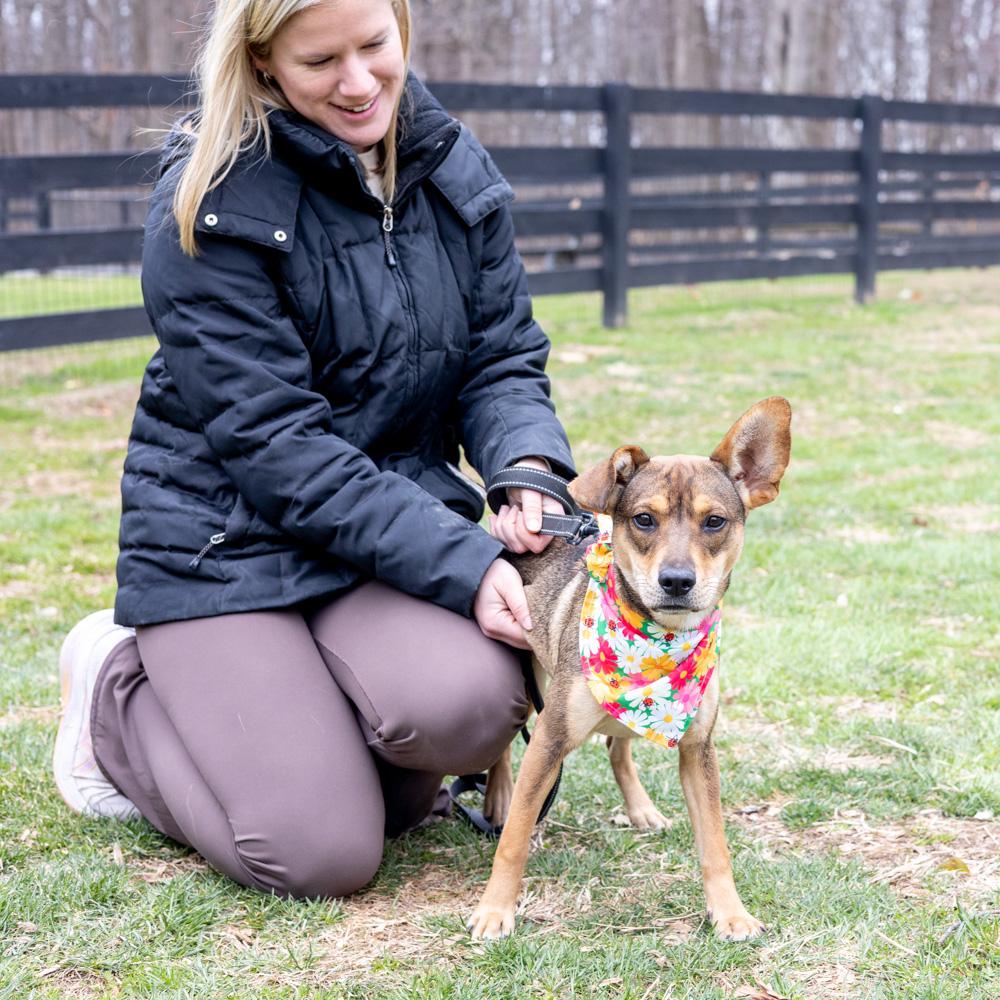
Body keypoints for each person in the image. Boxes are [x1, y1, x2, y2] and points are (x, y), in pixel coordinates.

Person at [52, 0, 574, 900]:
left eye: (375, 45)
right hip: (226, 547)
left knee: (470, 709)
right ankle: (114, 696)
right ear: (261, 62)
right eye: (321, 61)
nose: (360, 82)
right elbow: (278, 448)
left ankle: (304, 734)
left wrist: (525, 469)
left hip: (377, 537)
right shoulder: (211, 198)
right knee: (317, 853)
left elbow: (501, 356)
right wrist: (461, 562)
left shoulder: (448, 162)